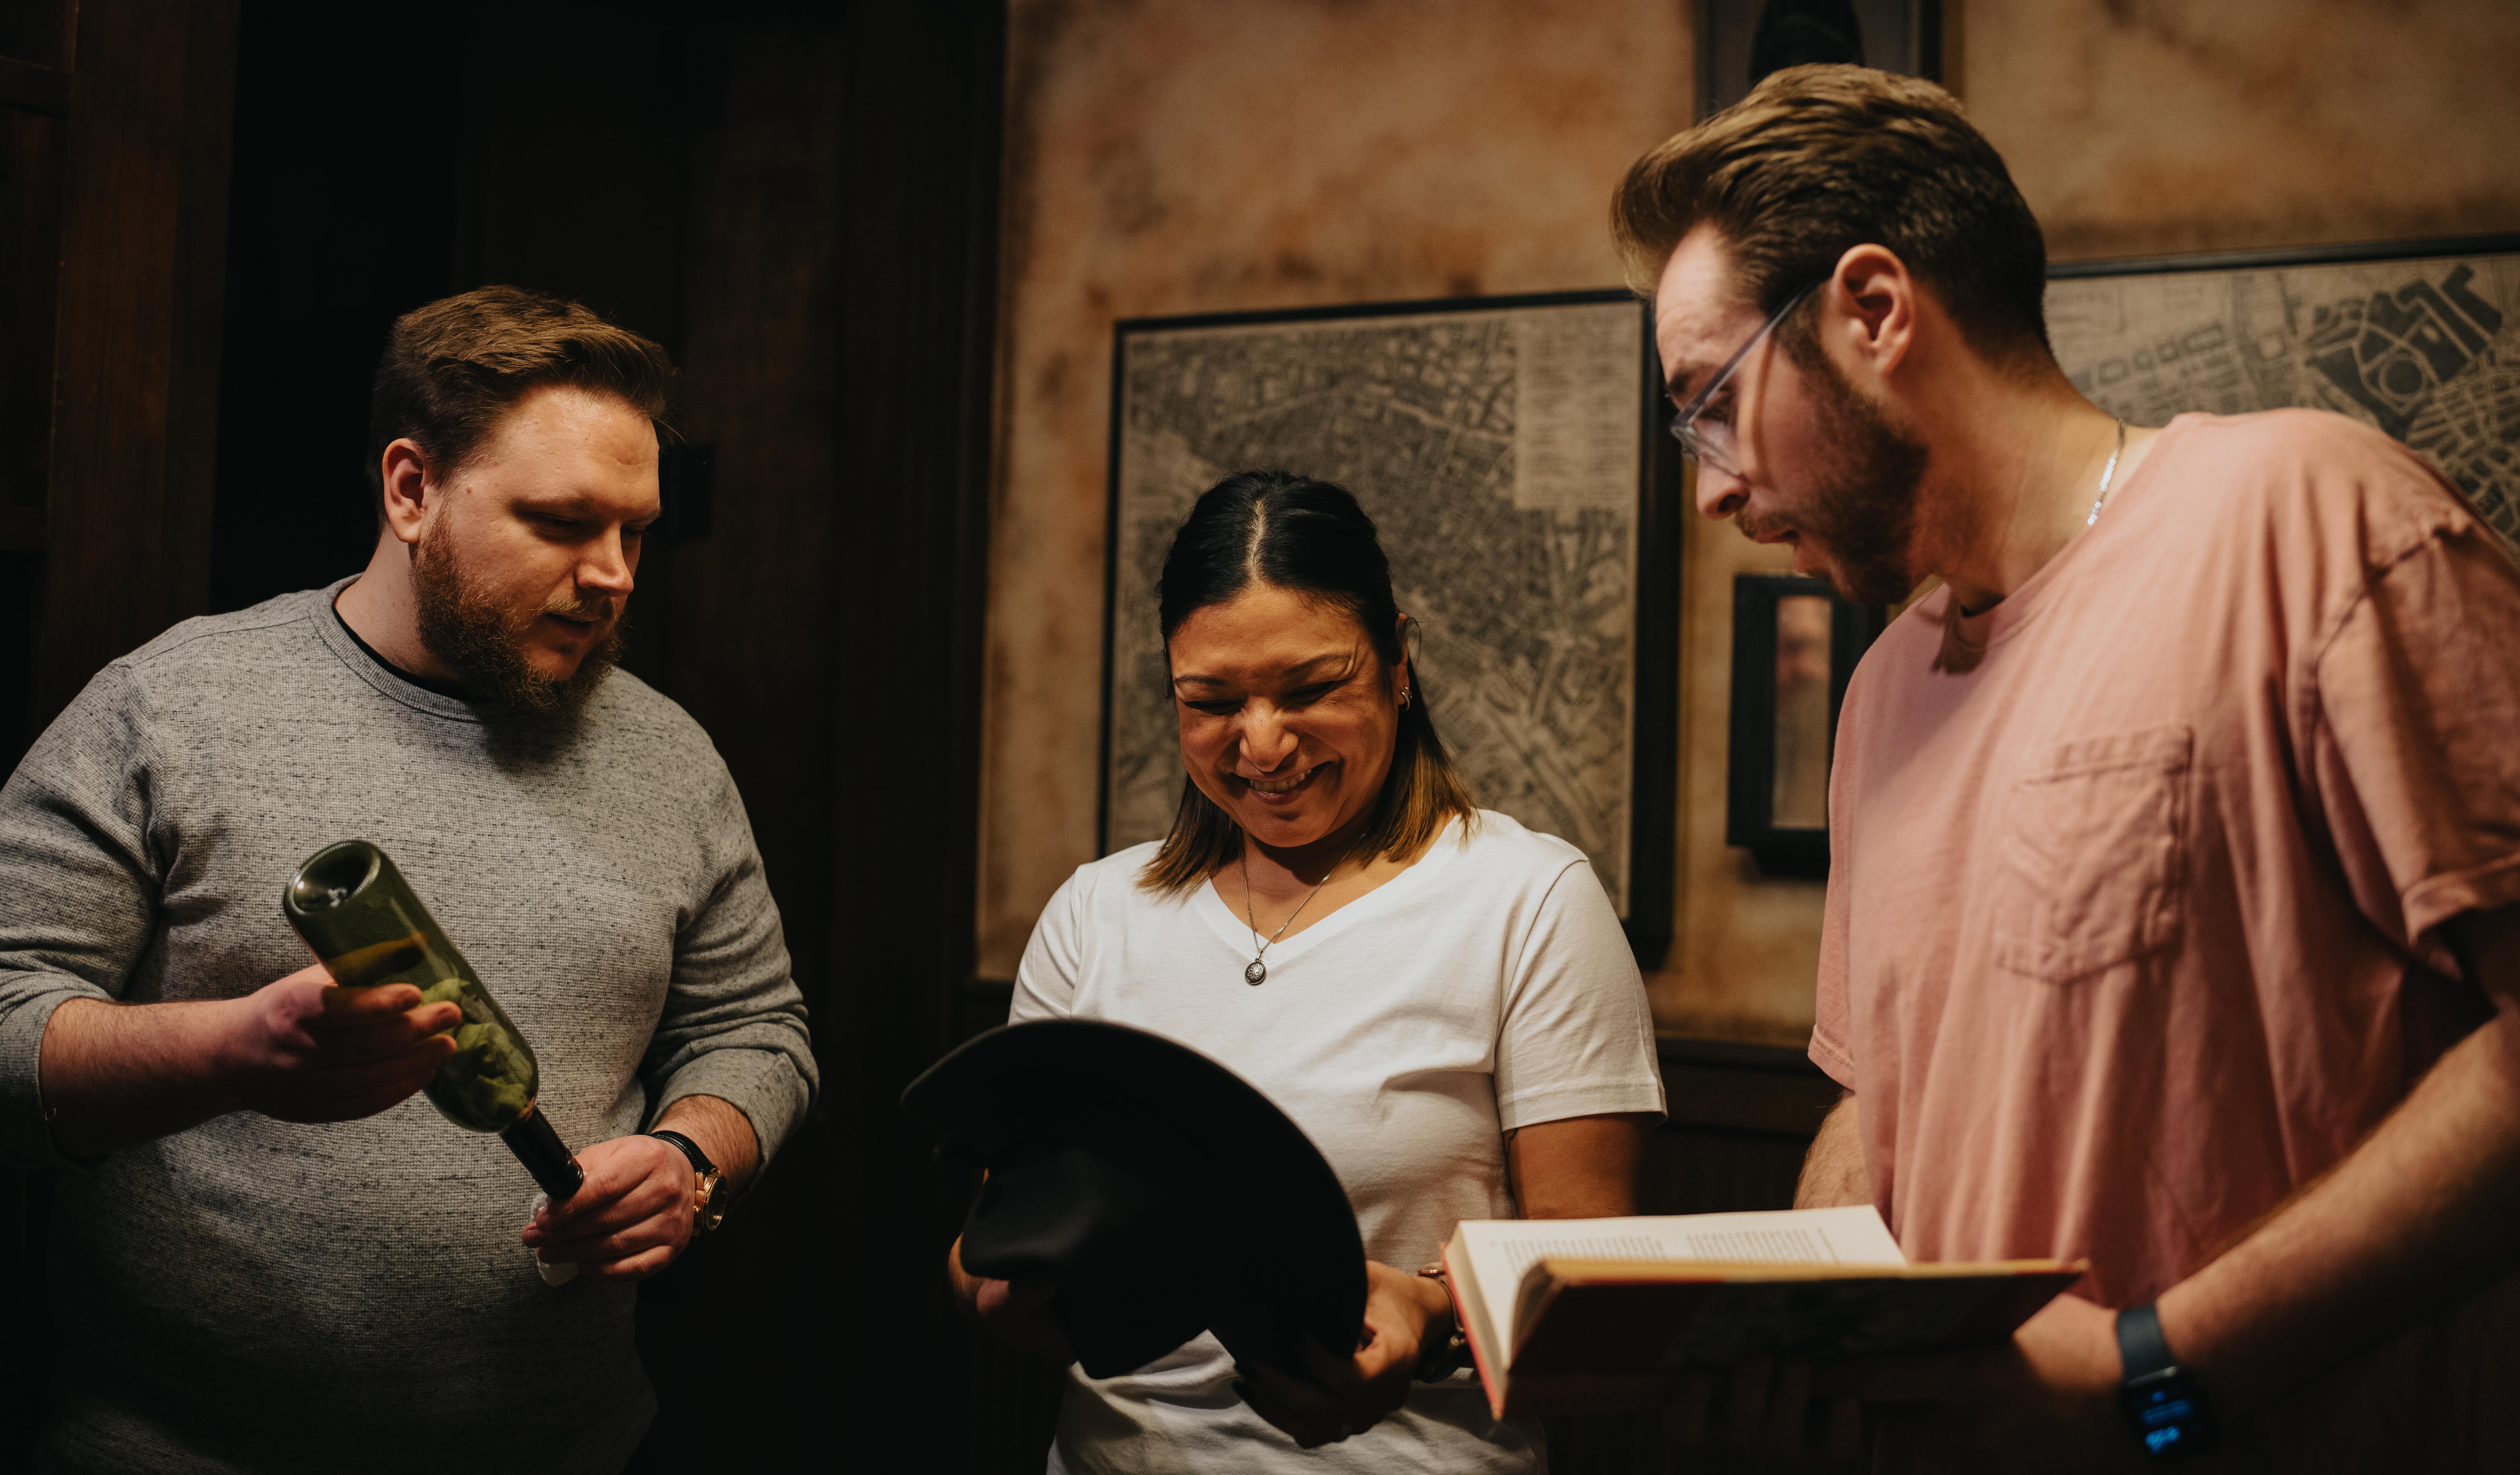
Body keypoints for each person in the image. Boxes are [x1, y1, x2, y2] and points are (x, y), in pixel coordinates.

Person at [1612, 64, 2520, 1470]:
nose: (1714, 485)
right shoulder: (1882, 686)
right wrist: (1800, 1336)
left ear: (1872, 311)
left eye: (1713, 401)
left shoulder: (2312, 517)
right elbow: (1879, 1096)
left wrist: (2147, 1379)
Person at [0, 287, 819, 1474]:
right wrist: (225, 1051)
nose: (615, 575)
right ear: (410, 489)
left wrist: (693, 1156)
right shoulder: (170, 709)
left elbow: (760, 1029)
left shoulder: (671, 757)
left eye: (635, 529)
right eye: (561, 521)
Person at [951, 470, 1666, 1473]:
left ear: (1399, 661)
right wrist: (1008, 1284)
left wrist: (1433, 1316)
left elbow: (1594, 1281)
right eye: (1211, 702)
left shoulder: (1527, 900)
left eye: (1310, 689)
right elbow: (1003, 1271)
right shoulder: (1096, 914)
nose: (1263, 744)